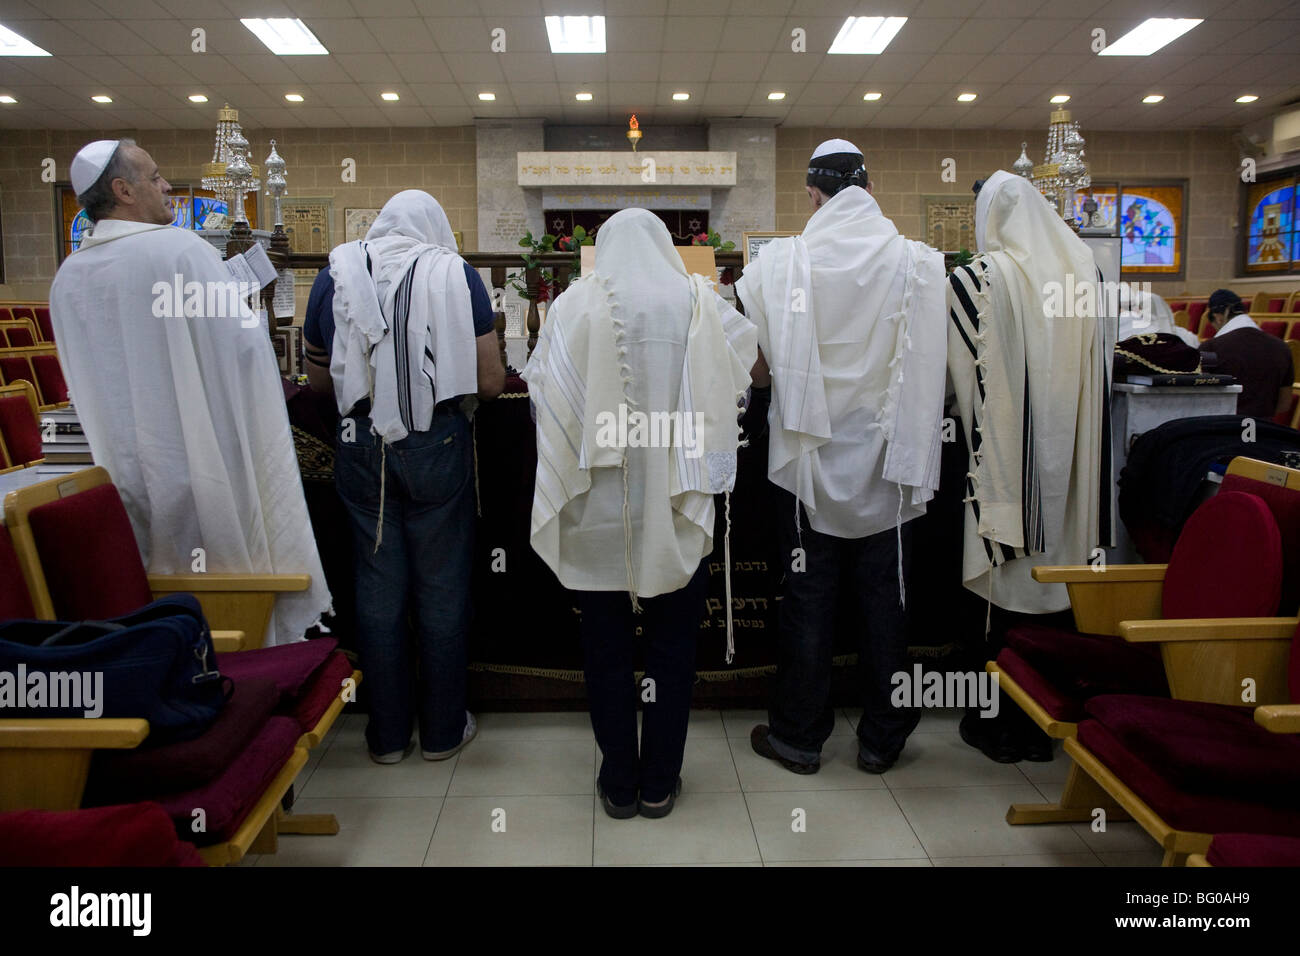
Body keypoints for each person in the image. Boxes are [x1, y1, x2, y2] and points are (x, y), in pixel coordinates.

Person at [522, 209, 756, 818]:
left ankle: (619, 782)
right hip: (675, 504)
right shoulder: (697, 300)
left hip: (597, 508)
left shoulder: (575, 303)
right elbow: (748, 371)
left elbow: (542, 392)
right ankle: (659, 783)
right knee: (673, 647)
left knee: (604, 648)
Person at [49, 138, 330, 646]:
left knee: (151, 595)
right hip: (204, 467)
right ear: (122, 190)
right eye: (154, 177)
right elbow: (245, 352)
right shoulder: (180, 251)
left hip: (119, 474)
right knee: (224, 588)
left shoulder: (69, 277)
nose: (165, 188)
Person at [735, 139, 947, 776]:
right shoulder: (919, 262)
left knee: (807, 595)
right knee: (888, 601)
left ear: (812, 193)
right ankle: (883, 737)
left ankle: (799, 736)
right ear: (870, 188)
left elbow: (760, 372)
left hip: (809, 462)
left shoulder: (781, 264)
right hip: (889, 460)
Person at [307, 189, 503, 764]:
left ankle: (387, 737)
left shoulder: (335, 271)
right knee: (441, 587)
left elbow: (320, 385)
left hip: (360, 444)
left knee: (375, 588)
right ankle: (443, 731)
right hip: (434, 440)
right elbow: (491, 383)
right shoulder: (456, 274)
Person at [946, 170, 1113, 761]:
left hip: (1008, 474)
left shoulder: (979, 279)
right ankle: (1050, 726)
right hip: (1073, 472)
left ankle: (995, 726)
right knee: (1059, 588)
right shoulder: (1086, 272)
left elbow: (953, 376)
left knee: (1003, 594)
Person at [1200, 289, 1294, 421]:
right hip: (1264, 431)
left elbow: (1201, 398)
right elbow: (1284, 403)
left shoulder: (1210, 348)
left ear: (1217, 316)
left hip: (1223, 429)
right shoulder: (1282, 347)